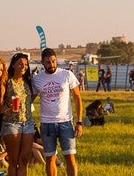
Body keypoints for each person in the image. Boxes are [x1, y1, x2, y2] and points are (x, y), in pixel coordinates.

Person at [32, 48, 84, 176]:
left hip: (65, 122)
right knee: (50, 158)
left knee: (70, 157)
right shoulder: (37, 79)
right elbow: (30, 100)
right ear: (42, 63)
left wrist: (79, 122)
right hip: (47, 124)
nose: (52, 65)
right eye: (48, 62)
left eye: (54, 61)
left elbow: (77, 98)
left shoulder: (66, 75)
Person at [1, 52, 36, 176]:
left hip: (28, 123)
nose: (23, 67)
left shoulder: (28, 81)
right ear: (13, 65)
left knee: (24, 160)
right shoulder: (6, 81)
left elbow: (31, 99)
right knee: (13, 160)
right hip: (11, 123)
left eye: (25, 64)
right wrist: (8, 105)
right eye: (20, 64)